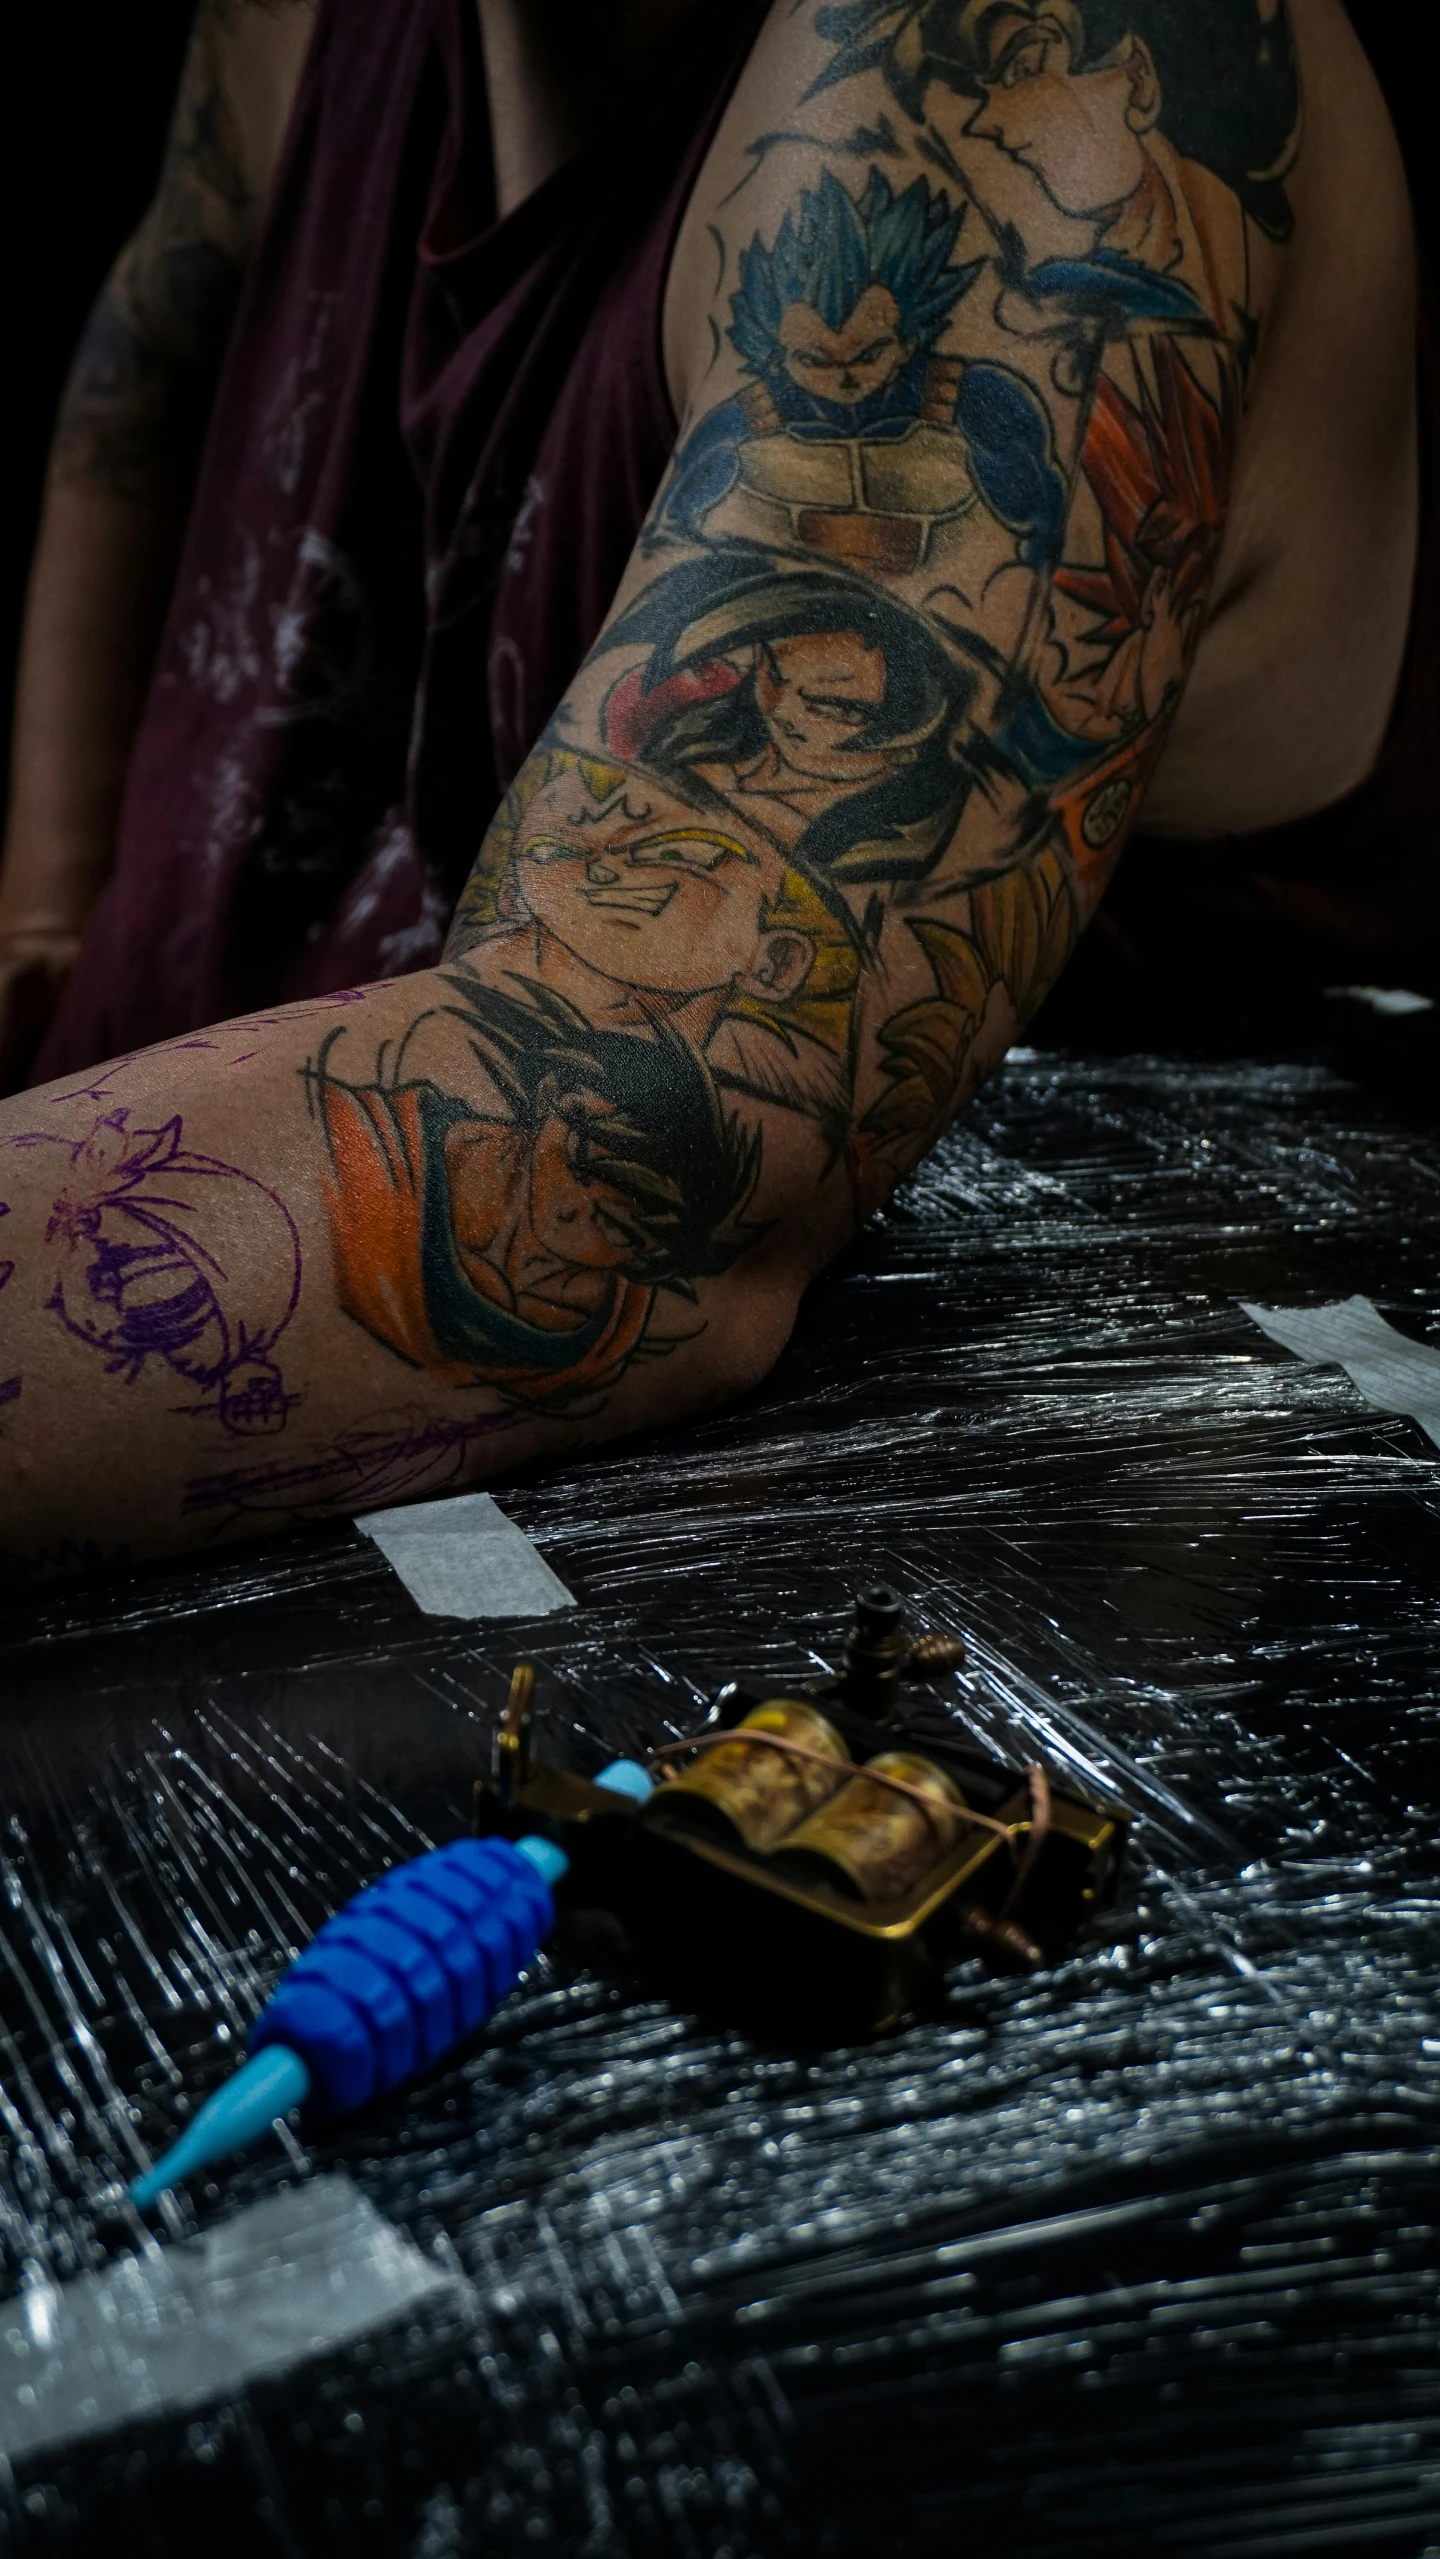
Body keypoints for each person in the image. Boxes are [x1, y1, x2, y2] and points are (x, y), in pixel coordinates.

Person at [0, 0, 1426, 1563]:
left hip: (878, 1603)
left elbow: (628, 1137)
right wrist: (58, 916)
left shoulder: (1033, 77)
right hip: (230, 1298)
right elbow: (153, 346)